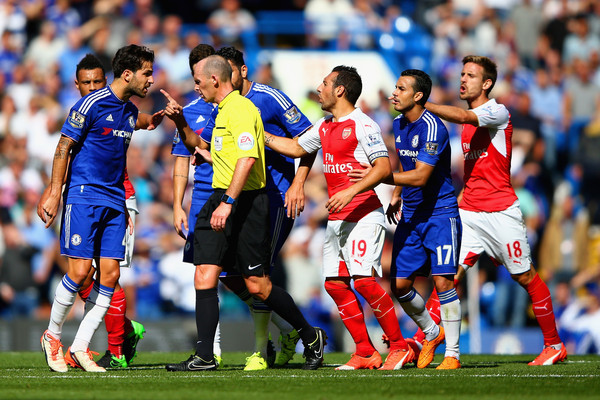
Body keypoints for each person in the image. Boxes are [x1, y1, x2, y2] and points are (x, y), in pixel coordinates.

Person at [161, 55, 326, 371]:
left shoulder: (243, 110)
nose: (194, 87)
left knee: (256, 284)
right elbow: (199, 144)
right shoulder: (220, 111)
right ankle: (205, 356)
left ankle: (309, 334)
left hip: (246, 202)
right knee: (205, 274)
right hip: (219, 197)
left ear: (214, 80)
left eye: (198, 81)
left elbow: (248, 159)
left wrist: (228, 203)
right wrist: (181, 121)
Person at [264, 65, 414, 370]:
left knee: (365, 283)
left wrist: (351, 191)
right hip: (338, 218)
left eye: (324, 83)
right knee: (334, 284)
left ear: (340, 90)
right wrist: (259, 133)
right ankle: (365, 352)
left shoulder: (363, 124)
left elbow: (384, 168)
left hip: (364, 214)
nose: (319, 88)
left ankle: (400, 347)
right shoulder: (324, 125)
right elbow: (294, 148)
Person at [425, 55, 567, 366]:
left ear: (487, 83)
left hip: (501, 212)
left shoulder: (496, 111)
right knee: (447, 274)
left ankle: (554, 344)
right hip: (471, 213)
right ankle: (426, 337)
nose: (463, 79)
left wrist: (423, 105)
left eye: (471, 75)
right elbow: (475, 172)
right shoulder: (468, 124)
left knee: (525, 276)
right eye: (462, 74)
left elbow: (463, 117)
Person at [39, 44, 155, 373]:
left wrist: (158, 119)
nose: (151, 80)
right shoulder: (89, 104)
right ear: (128, 74)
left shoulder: (129, 111)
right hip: (84, 195)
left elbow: (140, 120)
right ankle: (53, 336)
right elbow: (64, 146)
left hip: (116, 199)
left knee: (111, 275)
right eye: (147, 73)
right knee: (78, 273)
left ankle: (80, 347)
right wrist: (53, 192)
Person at [349, 69, 462, 369]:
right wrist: (397, 191)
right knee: (399, 285)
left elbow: (423, 175)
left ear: (418, 95)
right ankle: (432, 332)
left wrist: (382, 178)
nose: (393, 93)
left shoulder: (433, 128)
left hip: (440, 214)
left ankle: (453, 354)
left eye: (401, 88)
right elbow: (404, 161)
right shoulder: (399, 123)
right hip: (410, 214)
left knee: (443, 281)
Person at [214, 46, 316, 369]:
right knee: (229, 275)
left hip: (275, 198)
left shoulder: (269, 98)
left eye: (231, 70)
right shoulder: (222, 104)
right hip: (242, 200)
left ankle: (263, 350)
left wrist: (299, 182)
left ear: (243, 71)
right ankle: (287, 329)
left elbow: (310, 137)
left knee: (258, 277)